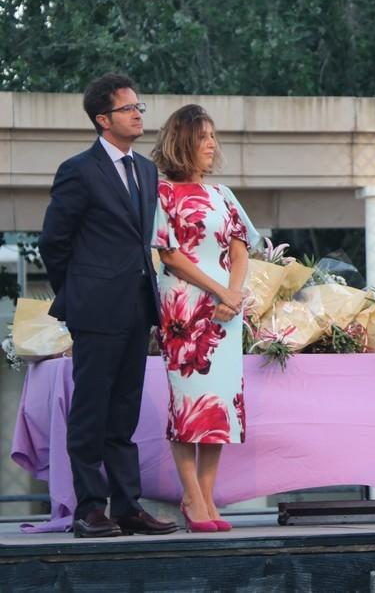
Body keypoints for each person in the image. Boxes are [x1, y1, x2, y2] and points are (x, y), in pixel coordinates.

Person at [39, 74, 178, 537]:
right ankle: (88, 508)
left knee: (124, 413)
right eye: (128, 108)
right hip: (95, 311)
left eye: (141, 106)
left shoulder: (147, 170)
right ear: (103, 119)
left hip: (138, 307)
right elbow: (54, 243)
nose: (139, 113)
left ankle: (127, 507)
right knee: (91, 412)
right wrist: (80, 293)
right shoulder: (78, 170)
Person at [150, 104, 259, 532]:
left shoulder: (223, 195)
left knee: (219, 407)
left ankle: (208, 498)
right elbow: (171, 256)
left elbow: (239, 249)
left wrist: (233, 295)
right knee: (187, 403)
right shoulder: (160, 194)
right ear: (183, 142)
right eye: (203, 136)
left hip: (226, 310)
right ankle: (191, 497)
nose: (212, 144)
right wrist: (220, 292)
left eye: (214, 136)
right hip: (184, 306)